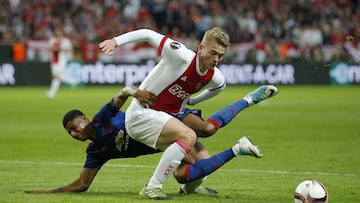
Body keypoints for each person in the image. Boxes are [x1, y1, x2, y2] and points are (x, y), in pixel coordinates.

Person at [99, 27, 278, 199]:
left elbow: (219, 87)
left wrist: (193, 101)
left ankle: (189, 187)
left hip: (171, 116)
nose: (216, 59)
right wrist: (116, 41)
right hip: (141, 115)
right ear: (200, 48)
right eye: (213, 53)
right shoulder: (180, 55)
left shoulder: (215, 77)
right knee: (189, 136)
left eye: (220, 56)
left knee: (204, 150)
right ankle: (152, 187)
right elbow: (147, 34)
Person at [24, 86, 263, 195]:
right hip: (166, 142)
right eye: (71, 133)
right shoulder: (96, 151)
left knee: (207, 129)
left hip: (163, 119)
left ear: (84, 120)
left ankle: (248, 100)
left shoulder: (102, 119)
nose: (74, 133)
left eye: (74, 127)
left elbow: (120, 94)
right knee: (188, 175)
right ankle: (236, 150)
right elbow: (82, 184)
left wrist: (134, 92)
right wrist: (48, 192)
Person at [45, 28, 76, 98]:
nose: (57, 32)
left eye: (59, 31)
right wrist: (50, 53)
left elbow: (70, 49)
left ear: (62, 32)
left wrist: (60, 48)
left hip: (62, 59)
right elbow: (48, 48)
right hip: (54, 59)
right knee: (55, 76)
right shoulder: (52, 39)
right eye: (56, 31)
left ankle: (52, 93)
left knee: (57, 76)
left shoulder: (65, 40)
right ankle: (71, 81)